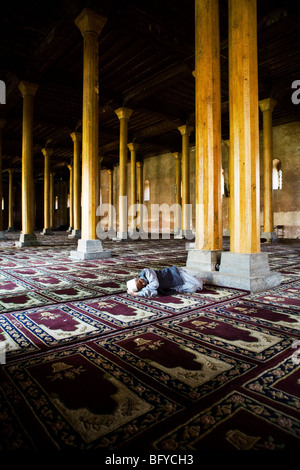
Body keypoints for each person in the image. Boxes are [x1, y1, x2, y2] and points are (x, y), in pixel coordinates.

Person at [127, 265, 204, 297]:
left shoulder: (146, 272)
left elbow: (155, 284)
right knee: (193, 288)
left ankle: (196, 278)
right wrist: (137, 293)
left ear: (136, 277)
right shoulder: (145, 287)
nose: (143, 283)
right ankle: (195, 278)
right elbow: (154, 292)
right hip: (175, 285)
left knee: (199, 283)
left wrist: (138, 293)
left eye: (140, 281)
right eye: (142, 286)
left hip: (176, 273)